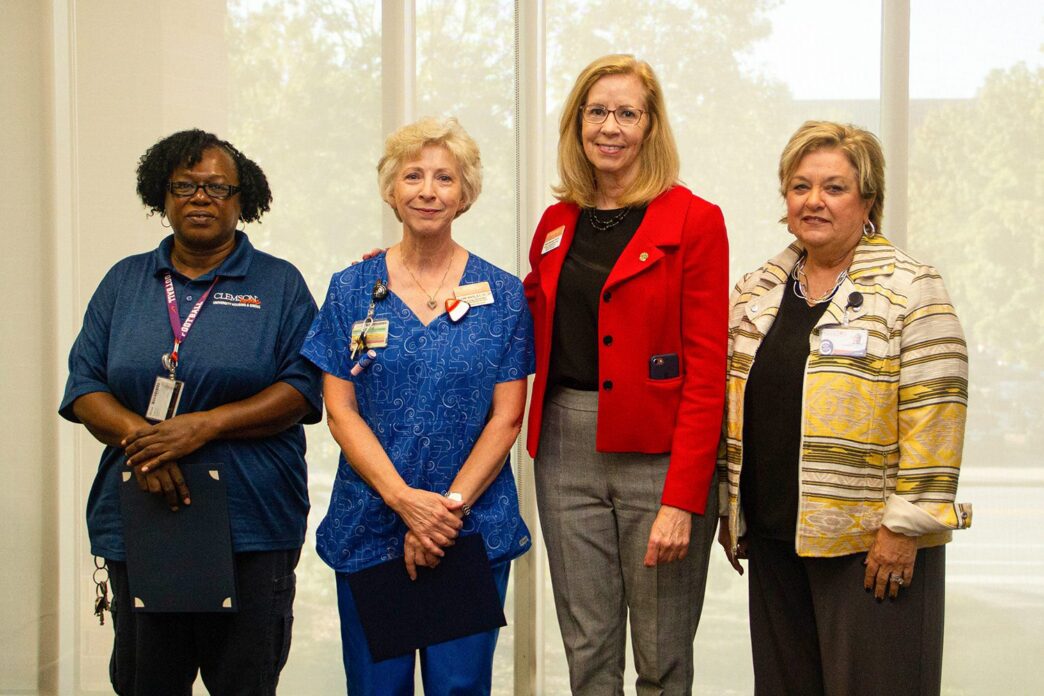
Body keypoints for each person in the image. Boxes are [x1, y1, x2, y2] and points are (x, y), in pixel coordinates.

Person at [59, 129, 323, 696]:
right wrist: (145, 444)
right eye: (184, 186)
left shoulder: (279, 284)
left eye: (217, 187)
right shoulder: (124, 281)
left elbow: (302, 390)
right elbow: (84, 387)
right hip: (144, 517)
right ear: (162, 196)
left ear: (242, 199)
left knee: (245, 684)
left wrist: (202, 427)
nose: (200, 197)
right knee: (146, 683)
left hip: (252, 523)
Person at [716, 120, 972, 695]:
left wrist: (904, 528)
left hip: (873, 549)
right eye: (800, 186)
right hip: (776, 539)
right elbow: (731, 406)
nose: (815, 201)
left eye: (834, 188)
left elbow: (938, 416)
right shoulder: (755, 292)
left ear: (868, 201)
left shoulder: (911, 289)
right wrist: (731, 508)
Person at [300, 116, 534, 696]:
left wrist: (443, 513)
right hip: (373, 522)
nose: (428, 191)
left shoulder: (504, 295)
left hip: (467, 526)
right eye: (413, 176)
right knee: (378, 689)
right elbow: (340, 411)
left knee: (459, 688)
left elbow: (507, 417)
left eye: (444, 178)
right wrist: (405, 502)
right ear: (391, 189)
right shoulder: (352, 288)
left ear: (465, 194)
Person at [524, 54, 729, 694]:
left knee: (662, 655)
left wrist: (683, 498)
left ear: (651, 126)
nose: (609, 126)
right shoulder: (557, 222)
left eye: (627, 113)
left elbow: (707, 372)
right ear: (577, 123)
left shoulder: (695, 220)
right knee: (587, 649)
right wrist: (418, 270)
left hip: (660, 456)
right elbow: (522, 311)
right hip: (565, 448)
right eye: (597, 112)